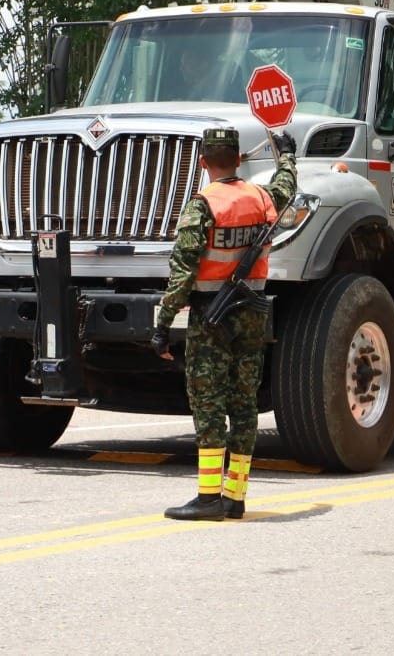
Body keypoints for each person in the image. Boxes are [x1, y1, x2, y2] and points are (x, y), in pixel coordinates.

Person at [151, 126, 297, 521]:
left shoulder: (202, 205)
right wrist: (286, 156)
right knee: (244, 403)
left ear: (202, 162)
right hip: (252, 313)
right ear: (237, 159)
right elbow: (286, 186)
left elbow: (183, 272)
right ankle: (235, 495)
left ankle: (209, 495)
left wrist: (162, 325)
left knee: (209, 404)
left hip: (211, 317)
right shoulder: (262, 197)